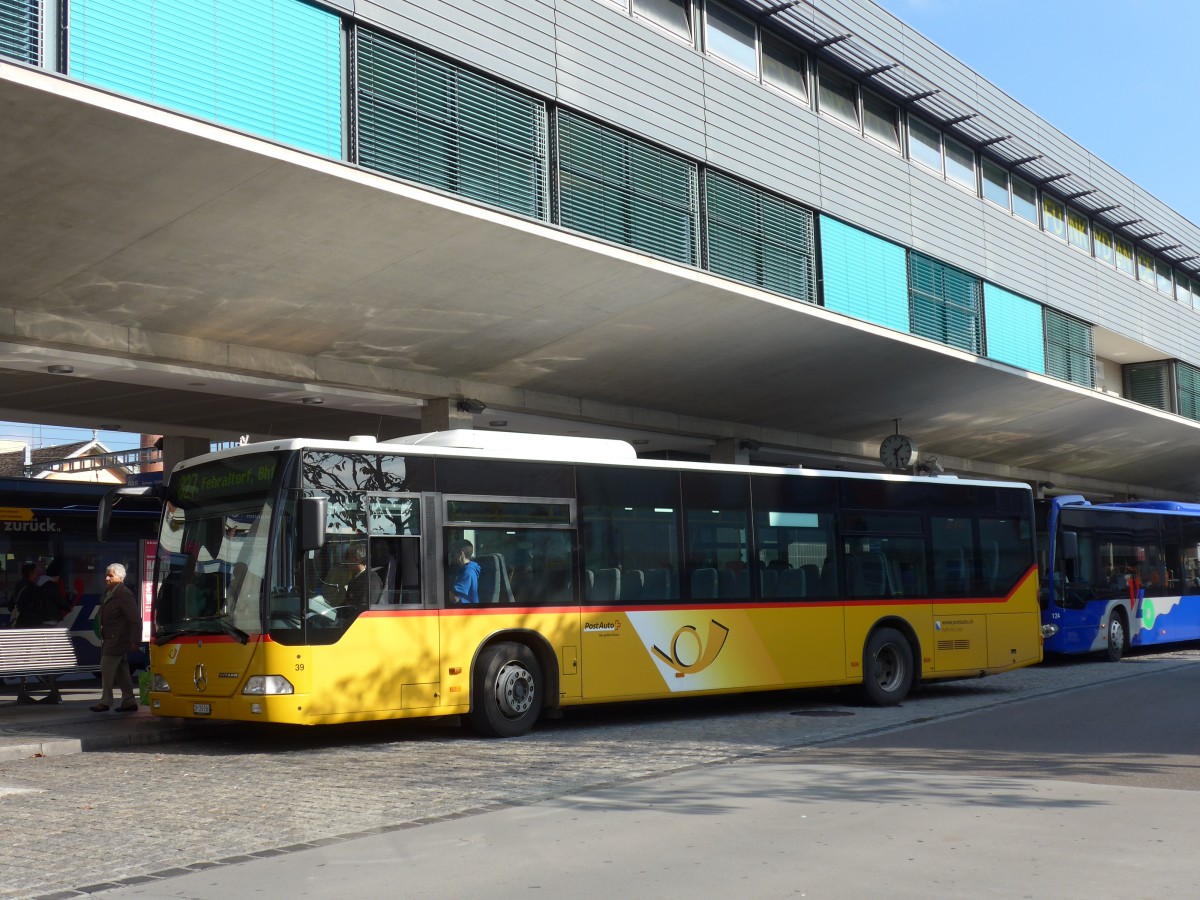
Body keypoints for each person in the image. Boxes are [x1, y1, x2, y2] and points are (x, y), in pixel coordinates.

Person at [91, 563, 140, 713]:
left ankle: (106, 701)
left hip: (117, 640)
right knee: (121, 670)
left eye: (110, 575)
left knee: (105, 668)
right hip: (110, 639)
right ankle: (129, 701)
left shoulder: (123, 593)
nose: (106, 577)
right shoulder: (109, 592)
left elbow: (134, 619)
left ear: (120, 577)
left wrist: (134, 639)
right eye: (106, 574)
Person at [343, 545, 382, 609]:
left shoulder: (371, 580)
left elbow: (363, 608)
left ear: (357, 560)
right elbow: (346, 604)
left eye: (348, 558)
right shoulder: (356, 578)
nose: (346, 562)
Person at [449, 539, 480, 604]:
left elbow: (455, 598)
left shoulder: (468, 572)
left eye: (452, 553)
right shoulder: (463, 569)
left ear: (461, 553)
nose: (451, 556)